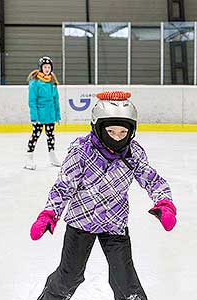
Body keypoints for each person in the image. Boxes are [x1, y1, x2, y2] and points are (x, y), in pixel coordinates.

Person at [30, 91, 177, 300]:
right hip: (81, 223)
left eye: (122, 132)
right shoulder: (82, 151)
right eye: (110, 131)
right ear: (97, 127)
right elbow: (63, 187)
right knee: (69, 277)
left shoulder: (133, 153)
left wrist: (165, 203)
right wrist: (48, 214)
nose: (117, 137)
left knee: (126, 282)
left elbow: (153, 180)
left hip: (114, 224)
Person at [24, 56, 61, 170]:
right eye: (45, 67)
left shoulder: (52, 82)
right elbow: (32, 100)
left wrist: (57, 116)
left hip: (50, 114)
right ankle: (29, 158)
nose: (47, 69)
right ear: (41, 68)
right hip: (39, 114)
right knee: (36, 135)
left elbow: (56, 100)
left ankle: (52, 155)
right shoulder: (35, 83)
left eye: (49, 67)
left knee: (50, 136)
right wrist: (34, 117)